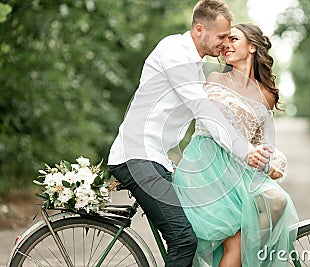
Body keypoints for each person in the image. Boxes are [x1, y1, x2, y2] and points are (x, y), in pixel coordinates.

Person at [107, 1, 271, 266]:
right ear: (199, 29)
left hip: (156, 159)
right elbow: (202, 109)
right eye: (220, 37)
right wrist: (244, 150)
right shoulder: (175, 52)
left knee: (201, 228)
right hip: (136, 156)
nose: (224, 44)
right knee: (183, 237)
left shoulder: (196, 64)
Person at [173, 23, 299, 266]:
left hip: (239, 170)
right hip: (205, 165)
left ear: (252, 47)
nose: (226, 45)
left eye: (233, 40)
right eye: (225, 40)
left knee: (278, 201)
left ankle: (249, 254)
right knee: (234, 241)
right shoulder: (215, 79)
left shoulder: (266, 94)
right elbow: (209, 123)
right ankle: (241, 253)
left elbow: (261, 143)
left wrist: (274, 160)